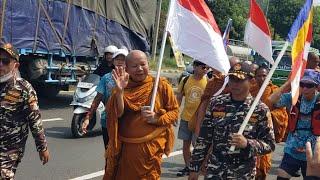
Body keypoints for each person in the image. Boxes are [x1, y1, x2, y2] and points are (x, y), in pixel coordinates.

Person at [189, 61, 275, 180]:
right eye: (232, 79)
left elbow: (270, 144)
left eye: (240, 80)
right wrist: (195, 168)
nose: (234, 84)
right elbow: (204, 138)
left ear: (251, 81)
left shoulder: (260, 109)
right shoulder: (216, 103)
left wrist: (247, 143)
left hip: (242, 172)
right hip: (215, 170)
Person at [104, 50, 179, 180]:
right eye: (134, 66)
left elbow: (174, 112)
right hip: (127, 148)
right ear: (126, 68)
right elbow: (118, 114)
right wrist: (120, 92)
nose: (139, 69)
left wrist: (157, 118)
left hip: (151, 148)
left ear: (148, 65)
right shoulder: (122, 86)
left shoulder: (160, 85)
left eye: (143, 64)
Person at [0, 43, 49, 179]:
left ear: (15, 66)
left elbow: (35, 120)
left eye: (5, 61)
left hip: (10, 149)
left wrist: (42, 147)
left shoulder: (24, 89)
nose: (1, 65)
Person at [269, 69, 320, 179]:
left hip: (313, 153)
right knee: (281, 176)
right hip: (292, 149)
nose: (305, 88)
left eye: (309, 85)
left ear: (316, 87)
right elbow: (272, 99)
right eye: (302, 84)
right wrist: (288, 83)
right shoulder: (294, 96)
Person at [82, 48, 128, 148]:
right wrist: (87, 118)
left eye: (123, 59)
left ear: (127, 62)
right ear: (113, 61)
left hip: (125, 122)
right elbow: (97, 99)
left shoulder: (131, 78)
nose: (120, 62)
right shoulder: (106, 78)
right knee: (109, 153)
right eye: (117, 59)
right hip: (107, 121)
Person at [251, 66, 289, 180]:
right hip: (250, 131)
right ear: (255, 77)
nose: (262, 78)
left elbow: (282, 113)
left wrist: (268, 115)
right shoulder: (250, 90)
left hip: (265, 131)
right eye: (259, 76)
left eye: (265, 75)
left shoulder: (274, 90)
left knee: (262, 165)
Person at [175, 60, 209, 177]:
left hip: (201, 120)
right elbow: (179, 98)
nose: (205, 69)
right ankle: (188, 167)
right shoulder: (185, 80)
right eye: (203, 67)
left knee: (198, 145)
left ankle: (200, 167)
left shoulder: (209, 82)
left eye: (206, 68)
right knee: (186, 144)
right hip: (186, 118)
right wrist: (174, 113)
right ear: (194, 67)